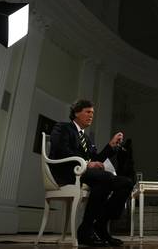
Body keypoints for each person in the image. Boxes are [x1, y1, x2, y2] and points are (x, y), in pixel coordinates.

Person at [49, 99, 133, 247]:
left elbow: (97, 160)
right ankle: (87, 229)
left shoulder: (86, 139)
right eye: (88, 112)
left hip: (86, 174)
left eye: (93, 113)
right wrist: (88, 163)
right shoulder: (62, 128)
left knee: (126, 183)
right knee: (105, 179)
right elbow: (62, 150)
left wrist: (110, 145)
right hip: (67, 172)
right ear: (76, 113)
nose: (91, 116)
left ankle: (99, 225)